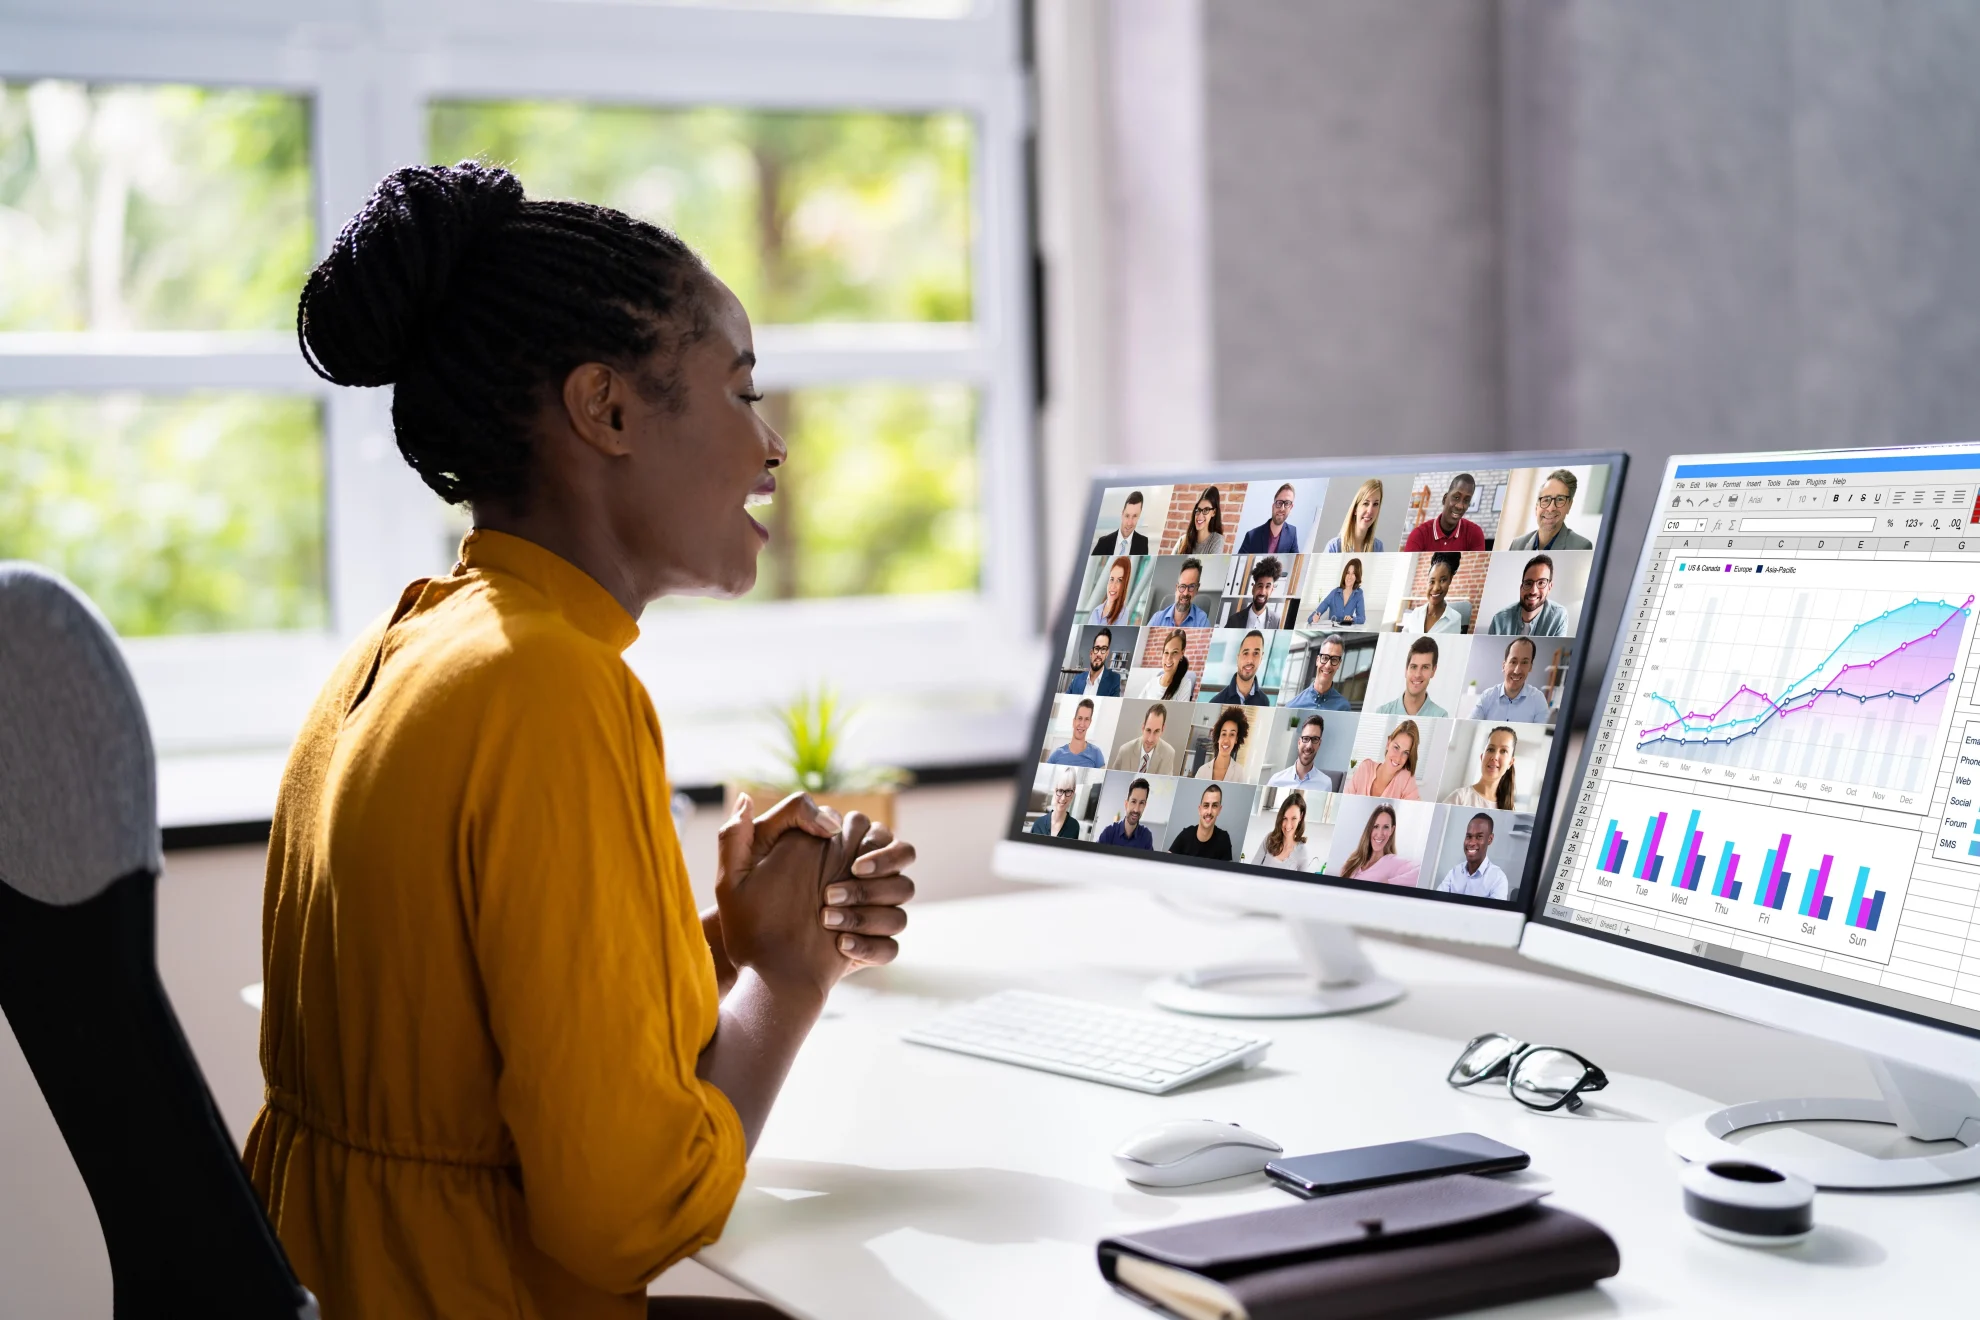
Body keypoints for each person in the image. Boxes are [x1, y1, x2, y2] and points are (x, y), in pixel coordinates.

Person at [255, 162, 918, 1320]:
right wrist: (787, 977)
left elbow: (492, 1036)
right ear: (606, 409)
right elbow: (626, 1215)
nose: (773, 447)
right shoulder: (551, 688)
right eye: (742, 390)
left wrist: (724, 940)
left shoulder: (408, 646)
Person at [1506, 469, 1592, 552]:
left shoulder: (1581, 548)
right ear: (1536, 507)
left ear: (1569, 505)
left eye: (1560, 499)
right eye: (1546, 500)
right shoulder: (1516, 546)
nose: (1551, 508)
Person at [1470, 637, 1551, 722]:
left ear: (1530, 667)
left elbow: (1541, 734)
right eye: (1513, 662)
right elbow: (1470, 726)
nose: (1517, 670)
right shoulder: (1487, 697)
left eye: (1524, 662)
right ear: (1504, 666)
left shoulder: (1538, 700)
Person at [1401, 473, 1485, 552]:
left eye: (1466, 500)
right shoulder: (1418, 535)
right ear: (1445, 499)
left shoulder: (1474, 534)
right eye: (1456, 497)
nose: (1460, 506)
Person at [1486, 554, 1566, 636]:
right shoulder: (1499, 620)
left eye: (1541, 583)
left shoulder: (1559, 616)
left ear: (1549, 588)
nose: (1533, 591)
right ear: (1521, 588)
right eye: (1528, 583)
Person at [1339, 803, 1418, 885]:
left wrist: (1388, 884)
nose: (1380, 834)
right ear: (1370, 828)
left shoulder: (1393, 862)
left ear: (1392, 830)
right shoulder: (1353, 862)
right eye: (1376, 826)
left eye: (1386, 827)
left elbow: (1421, 871)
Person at [1436, 813, 1511, 899]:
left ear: (1490, 839)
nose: (1471, 843)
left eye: (1479, 837)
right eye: (1469, 836)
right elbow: (1436, 903)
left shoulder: (1498, 879)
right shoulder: (1454, 872)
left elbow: (1494, 912)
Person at [1443, 726, 1517, 810]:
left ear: (1510, 762)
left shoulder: (1510, 809)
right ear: (1482, 757)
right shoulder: (1459, 798)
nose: (1495, 757)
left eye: (1503, 751)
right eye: (1491, 749)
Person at [1344, 720, 1422, 800]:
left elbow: (1414, 810)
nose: (1398, 758)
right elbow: (1345, 801)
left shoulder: (1406, 779)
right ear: (1388, 743)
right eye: (1396, 747)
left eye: (1405, 753)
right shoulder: (1366, 768)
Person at [1375, 636, 1447, 718]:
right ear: (1406, 669)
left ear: (1433, 671)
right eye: (1414, 667)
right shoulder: (1382, 713)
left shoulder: (1441, 716)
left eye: (1425, 667)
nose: (1417, 675)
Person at [1398, 552, 1467, 634]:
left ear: (1450, 580)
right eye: (1432, 581)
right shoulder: (1415, 613)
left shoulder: (1455, 619)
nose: (1436, 588)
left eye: (1442, 580)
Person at [1268, 715, 1341, 792]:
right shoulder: (1276, 780)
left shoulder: (1326, 784)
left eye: (1315, 739)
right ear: (1299, 742)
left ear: (1319, 744)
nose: (1309, 746)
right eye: (1305, 738)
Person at [1283, 633, 1353, 710]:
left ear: (1339, 664)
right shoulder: (1292, 706)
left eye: (1334, 659)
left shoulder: (1344, 708)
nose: (1327, 665)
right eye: (1325, 658)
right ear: (1317, 660)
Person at [1110, 702, 1180, 775]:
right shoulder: (1124, 751)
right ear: (1143, 727)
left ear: (1162, 729)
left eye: (1156, 731)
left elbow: (1166, 784)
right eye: (1148, 730)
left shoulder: (1169, 754)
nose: (1150, 739)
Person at [1169, 783, 1234, 860]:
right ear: (1199, 810)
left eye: (1214, 806)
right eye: (1206, 805)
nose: (1209, 812)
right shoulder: (1185, 835)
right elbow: (1166, 863)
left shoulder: (1223, 839)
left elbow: (1226, 871)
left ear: (1219, 810)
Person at [1249, 791, 1310, 870]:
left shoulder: (1302, 852)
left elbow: (1301, 882)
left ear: (1301, 817)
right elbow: (1252, 869)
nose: (1288, 825)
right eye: (1285, 818)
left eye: (1294, 818)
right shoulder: (1270, 839)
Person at [1211, 629, 1273, 706]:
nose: (1250, 660)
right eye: (1245, 653)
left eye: (1256, 653)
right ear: (1238, 658)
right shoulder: (1216, 702)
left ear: (1261, 658)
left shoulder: (1264, 701)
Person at [1131, 628, 1195, 700]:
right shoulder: (1152, 682)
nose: (1169, 658)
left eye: (1175, 652)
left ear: (1182, 654)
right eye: (1166, 652)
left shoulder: (1185, 684)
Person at [1237, 483, 1300, 554]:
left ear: (1291, 507)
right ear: (1273, 506)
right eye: (1279, 503)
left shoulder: (1292, 533)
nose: (1282, 508)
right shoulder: (1251, 536)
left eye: (1287, 503)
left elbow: (1295, 561)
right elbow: (1238, 563)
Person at [1326, 478, 1384, 553]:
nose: (1370, 511)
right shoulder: (1334, 547)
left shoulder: (1378, 548)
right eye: (1366, 503)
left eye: (1375, 504)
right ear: (1355, 509)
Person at [1149, 556, 1211, 627]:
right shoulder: (1157, 619)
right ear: (1176, 588)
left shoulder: (1203, 622)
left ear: (1197, 589)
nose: (1185, 593)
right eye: (1182, 586)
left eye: (1191, 587)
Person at [1224, 556, 1284, 629]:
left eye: (1267, 587)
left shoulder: (1276, 621)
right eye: (1260, 586)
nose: (1262, 592)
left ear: (1271, 590)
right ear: (1253, 588)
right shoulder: (1234, 620)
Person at [1045, 697, 1106, 768]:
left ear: (1090, 723)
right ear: (1074, 721)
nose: (1082, 724)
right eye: (1080, 718)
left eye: (1086, 719)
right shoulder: (1057, 754)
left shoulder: (1096, 753)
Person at [1193, 706, 1251, 781]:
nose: (1226, 740)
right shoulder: (1202, 771)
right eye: (1224, 734)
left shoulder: (1240, 773)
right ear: (1218, 738)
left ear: (1236, 740)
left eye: (1232, 734)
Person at [1097, 778, 1156, 849]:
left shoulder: (1146, 836)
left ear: (1145, 806)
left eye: (1141, 803)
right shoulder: (1109, 832)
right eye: (1133, 801)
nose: (1136, 809)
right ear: (1126, 804)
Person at [1028, 766, 1083, 838]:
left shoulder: (1074, 826)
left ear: (1073, 793)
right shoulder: (1038, 824)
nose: (1063, 798)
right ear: (1055, 790)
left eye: (1068, 791)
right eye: (1060, 790)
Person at [1307, 557, 1365, 626]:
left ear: (1357, 576)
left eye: (1353, 574)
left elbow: (1362, 618)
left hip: (1345, 630)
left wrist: (1352, 619)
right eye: (1348, 573)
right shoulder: (1334, 593)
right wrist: (1314, 618)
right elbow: (1312, 617)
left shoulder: (1358, 594)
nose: (1349, 577)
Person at [1066, 627, 1122, 696]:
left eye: (1103, 649)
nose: (1099, 654)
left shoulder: (1114, 680)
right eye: (1097, 648)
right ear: (1091, 653)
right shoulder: (1077, 679)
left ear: (1107, 654)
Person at [1092, 490, 1149, 556]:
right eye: (1127, 516)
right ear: (1122, 514)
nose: (1129, 523)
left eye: (1135, 516)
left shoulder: (1143, 543)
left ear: (1139, 516)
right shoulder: (1103, 542)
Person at [1177, 486, 1227, 555]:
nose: (1200, 516)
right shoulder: (1183, 540)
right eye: (1198, 510)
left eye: (1206, 510)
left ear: (1214, 512)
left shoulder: (1217, 540)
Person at [1088, 555, 1133, 624]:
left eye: (1119, 580)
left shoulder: (1123, 613)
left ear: (1124, 584)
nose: (1113, 586)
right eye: (1112, 579)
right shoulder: (1096, 611)